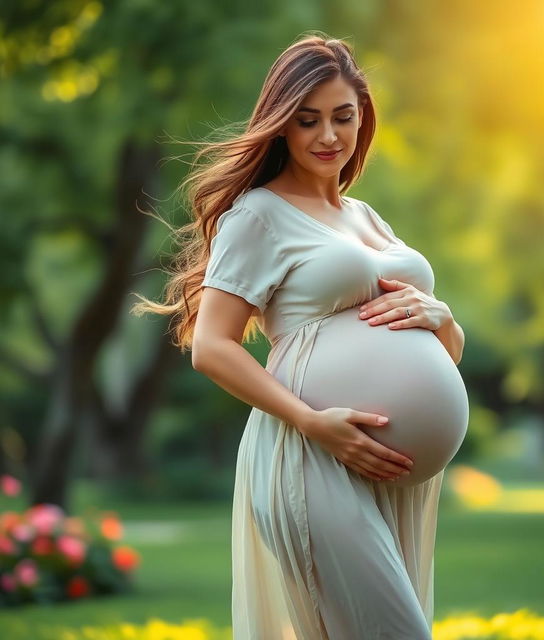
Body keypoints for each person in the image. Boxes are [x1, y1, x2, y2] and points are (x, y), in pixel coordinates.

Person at [133, 32, 467, 640]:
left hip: (386, 467)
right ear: (281, 126)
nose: (328, 136)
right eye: (307, 121)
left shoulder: (366, 218)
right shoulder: (257, 215)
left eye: (343, 117)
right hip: (309, 452)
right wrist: (315, 424)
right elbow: (212, 347)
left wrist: (442, 320)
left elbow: (444, 357)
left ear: (363, 117)